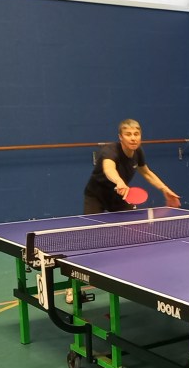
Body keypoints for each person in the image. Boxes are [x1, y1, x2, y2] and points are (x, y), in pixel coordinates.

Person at [67, 118, 181, 304]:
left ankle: (130, 275)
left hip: (120, 196)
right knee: (88, 240)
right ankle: (73, 286)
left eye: (136, 134)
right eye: (128, 134)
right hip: (96, 196)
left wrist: (165, 189)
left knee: (134, 233)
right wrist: (119, 181)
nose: (133, 138)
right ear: (120, 137)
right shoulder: (110, 151)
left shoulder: (138, 152)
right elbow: (109, 168)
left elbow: (147, 172)